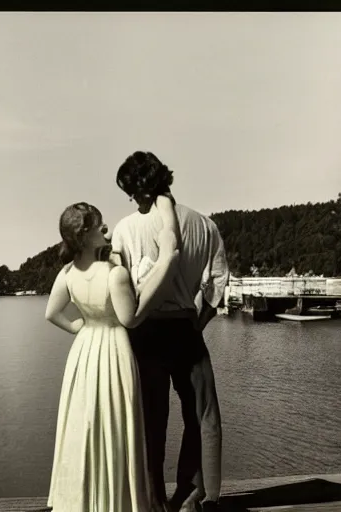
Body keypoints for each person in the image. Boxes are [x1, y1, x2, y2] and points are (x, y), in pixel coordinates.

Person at [111, 151, 230, 512]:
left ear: (141, 192)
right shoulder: (204, 225)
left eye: (130, 192)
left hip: (146, 332)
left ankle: (152, 500)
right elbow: (219, 282)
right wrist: (201, 320)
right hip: (185, 329)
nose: (131, 200)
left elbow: (121, 288)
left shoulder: (126, 228)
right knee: (202, 414)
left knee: (151, 420)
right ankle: (196, 496)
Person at [45, 198, 180, 512]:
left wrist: (78, 326)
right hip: (114, 351)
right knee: (115, 423)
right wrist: (160, 270)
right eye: (100, 225)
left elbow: (52, 313)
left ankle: (80, 500)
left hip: (84, 351)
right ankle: (116, 501)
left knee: (85, 423)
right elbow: (129, 319)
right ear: (88, 233)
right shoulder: (114, 274)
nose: (107, 229)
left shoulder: (67, 272)